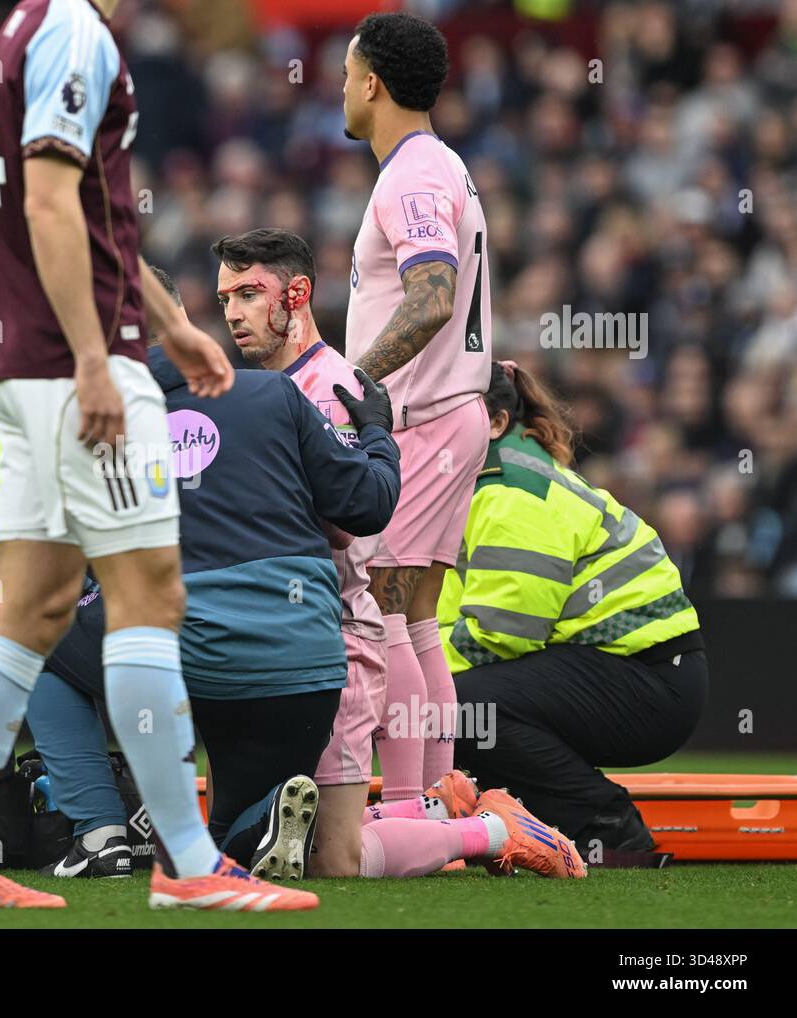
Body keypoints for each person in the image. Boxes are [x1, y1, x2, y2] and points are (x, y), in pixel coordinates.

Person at [0, 0, 331, 914]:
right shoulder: (74, 32)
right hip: (74, 366)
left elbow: (90, 213)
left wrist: (174, 325)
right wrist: (99, 356)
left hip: (25, 364)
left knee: (33, 609)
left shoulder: (22, 29)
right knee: (149, 597)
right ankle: (186, 860)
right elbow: (55, 203)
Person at [25, 265, 401, 880]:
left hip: (188, 660)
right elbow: (369, 505)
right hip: (306, 664)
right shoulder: (274, 394)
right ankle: (262, 818)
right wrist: (378, 433)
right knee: (228, 837)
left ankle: (100, 832)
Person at [440, 362, 709, 857]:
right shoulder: (490, 482)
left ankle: (606, 825)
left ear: (497, 424)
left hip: (648, 680)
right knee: (447, 702)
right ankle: (534, 821)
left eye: (444, 411)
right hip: (633, 669)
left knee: (461, 706)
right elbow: (453, 619)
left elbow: (499, 634)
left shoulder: (514, 489)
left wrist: (405, 676)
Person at [342, 12, 493, 801]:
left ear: (371, 84)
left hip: (420, 421)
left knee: (384, 610)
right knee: (421, 618)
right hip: (451, 414)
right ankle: (438, 798)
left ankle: (405, 806)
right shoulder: (443, 164)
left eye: (345, 73)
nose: (339, 88)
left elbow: (430, 297)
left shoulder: (412, 174)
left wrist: (351, 383)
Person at [211, 227, 393, 877]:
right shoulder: (257, 388)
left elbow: (345, 526)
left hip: (335, 633)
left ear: (298, 292)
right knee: (251, 843)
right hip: (266, 638)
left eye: (249, 293)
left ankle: (484, 832)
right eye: (226, 296)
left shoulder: (332, 388)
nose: (232, 312)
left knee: (335, 863)